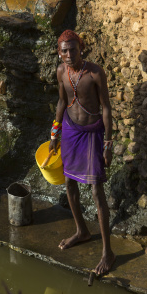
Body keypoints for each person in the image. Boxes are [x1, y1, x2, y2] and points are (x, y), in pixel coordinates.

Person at [49, 30, 115, 276]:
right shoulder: (60, 72)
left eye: (73, 50)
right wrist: (55, 134)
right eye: (64, 50)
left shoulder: (95, 73)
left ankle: (108, 252)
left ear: (81, 48)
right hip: (70, 130)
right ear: (59, 52)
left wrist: (108, 144)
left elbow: (106, 108)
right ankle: (82, 231)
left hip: (92, 133)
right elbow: (61, 103)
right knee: (69, 182)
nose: (68, 55)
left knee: (97, 190)